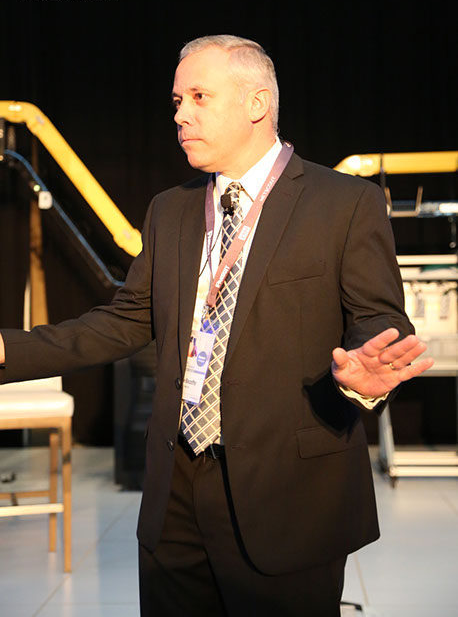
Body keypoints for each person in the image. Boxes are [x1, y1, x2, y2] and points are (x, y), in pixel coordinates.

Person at [0, 35, 433, 616]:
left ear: (257, 103)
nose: (181, 115)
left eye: (199, 97)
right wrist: (7, 350)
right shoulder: (169, 209)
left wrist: (365, 370)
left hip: (288, 493)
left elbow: (377, 318)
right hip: (175, 492)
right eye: (177, 101)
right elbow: (123, 321)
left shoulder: (344, 202)